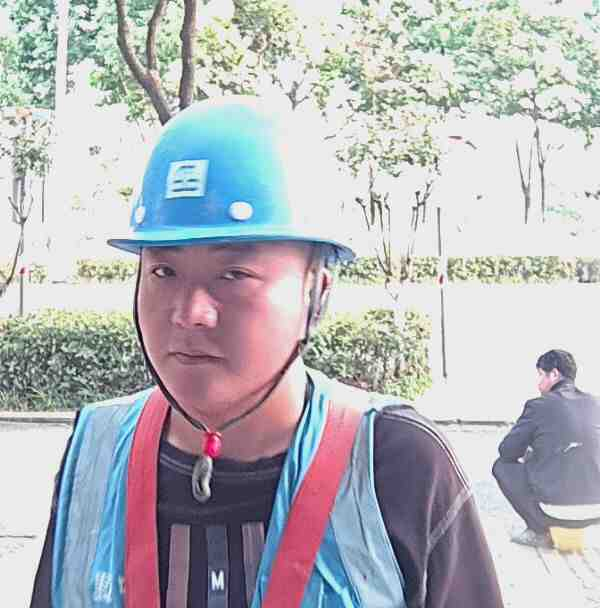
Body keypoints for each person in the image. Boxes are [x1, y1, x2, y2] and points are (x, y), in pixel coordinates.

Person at [30, 96, 503, 607]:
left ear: (316, 293)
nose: (190, 313)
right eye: (164, 271)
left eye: (233, 274)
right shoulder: (94, 452)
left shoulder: (397, 464)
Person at [493, 349, 600, 549]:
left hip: (555, 512)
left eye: (541, 374)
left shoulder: (538, 406)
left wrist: (531, 453)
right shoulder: (596, 404)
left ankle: (539, 531)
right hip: (596, 512)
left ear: (554, 374)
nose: (538, 382)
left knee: (501, 466)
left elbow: (507, 452)